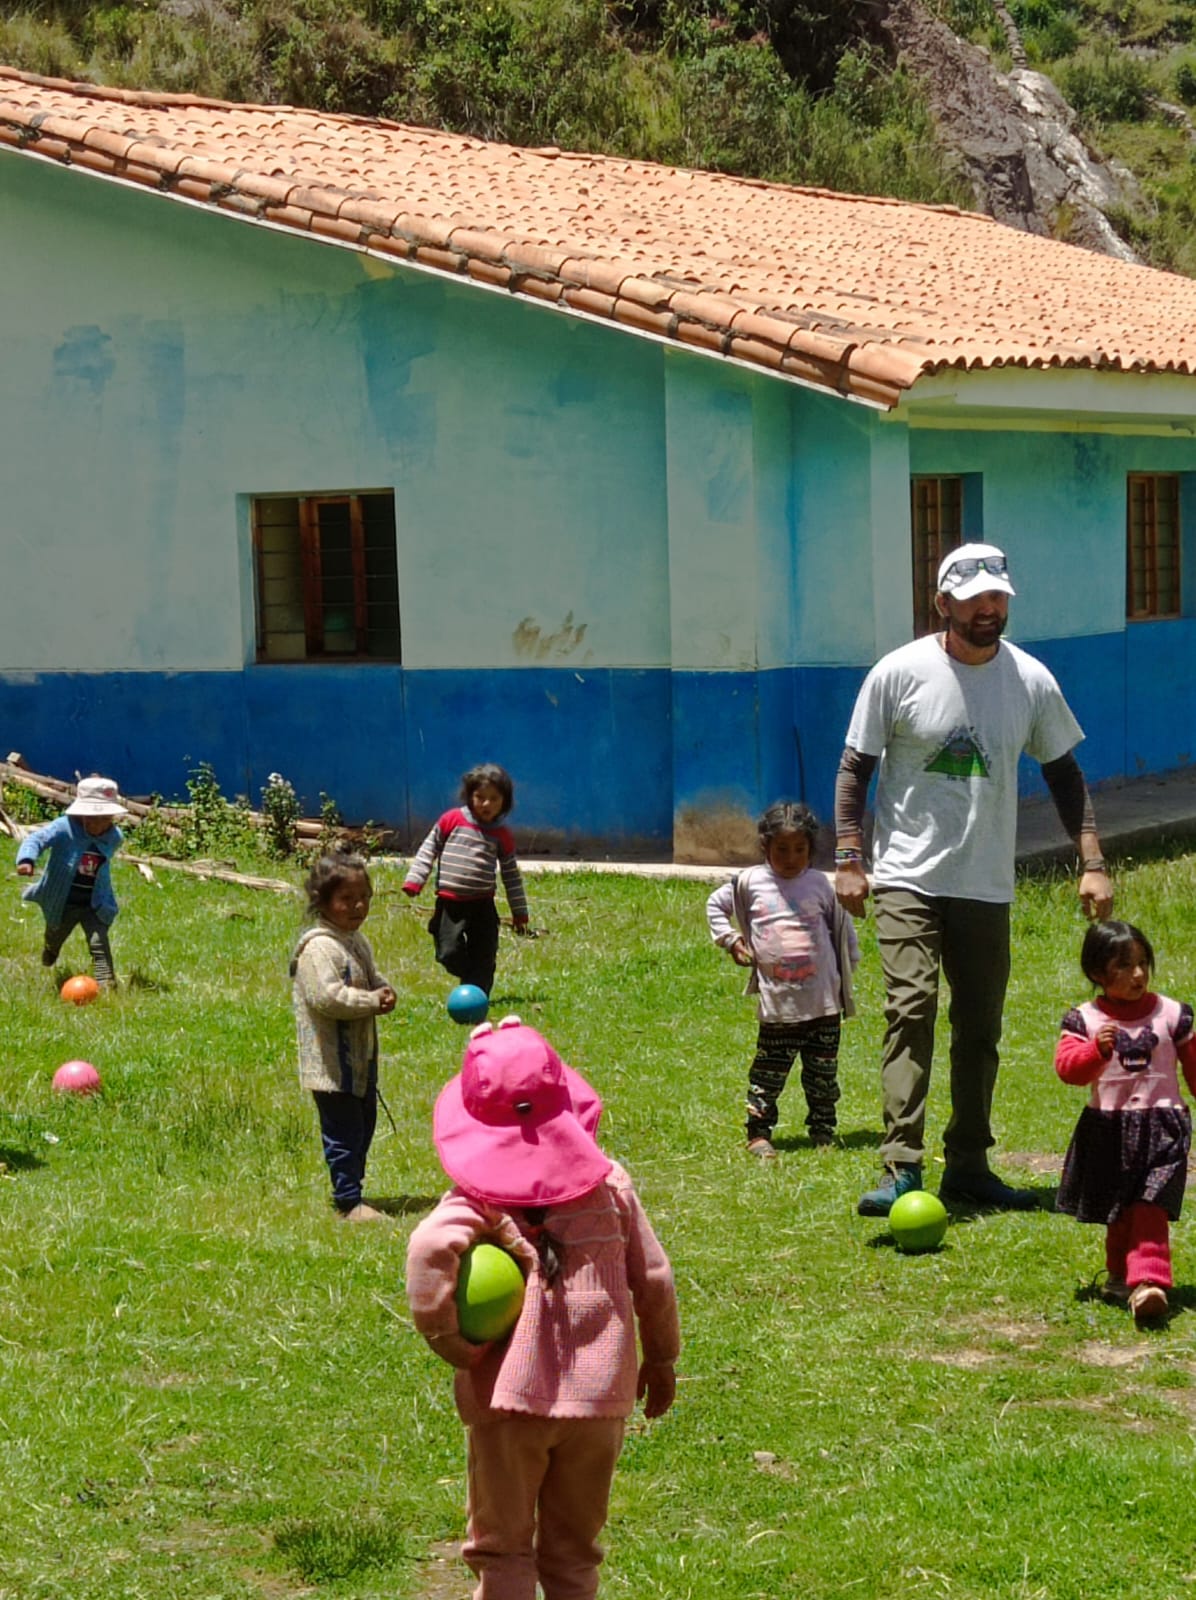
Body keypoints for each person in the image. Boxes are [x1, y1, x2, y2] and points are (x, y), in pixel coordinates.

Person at [834, 542, 1114, 1216]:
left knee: (981, 1025)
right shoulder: (898, 673)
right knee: (911, 1007)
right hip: (907, 874)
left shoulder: (1031, 680)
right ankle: (903, 1164)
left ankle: (969, 1166)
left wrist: (1093, 859)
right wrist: (849, 856)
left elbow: (1064, 773)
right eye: (974, 600)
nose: (988, 610)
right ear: (943, 604)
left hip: (986, 880)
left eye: (998, 599)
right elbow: (855, 768)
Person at [405, 1016, 680, 1600]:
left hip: (508, 1403)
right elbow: (653, 1278)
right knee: (574, 1553)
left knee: (503, 1550)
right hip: (599, 1402)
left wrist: (451, 1340)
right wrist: (660, 1358)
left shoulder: (476, 1200)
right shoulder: (612, 1187)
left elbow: (430, 1249)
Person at [1056, 921, 1196, 1323]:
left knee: (1150, 1204)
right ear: (1098, 973)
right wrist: (1095, 1053)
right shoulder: (1084, 1020)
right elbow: (1068, 1070)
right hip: (1108, 1128)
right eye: (1124, 965)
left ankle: (1150, 1281)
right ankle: (1120, 1274)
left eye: (1142, 963)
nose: (1138, 974)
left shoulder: (1173, 1015)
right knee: (1118, 1208)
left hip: (1164, 1125)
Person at [706, 800, 859, 1157]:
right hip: (778, 1006)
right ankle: (758, 1133)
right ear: (765, 848)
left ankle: (822, 1130)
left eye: (800, 849)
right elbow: (715, 905)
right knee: (767, 1074)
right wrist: (731, 940)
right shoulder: (750, 883)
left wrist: (847, 972)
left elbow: (844, 929)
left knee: (822, 1076)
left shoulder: (820, 885)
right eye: (782, 849)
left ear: (811, 849)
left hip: (823, 1003)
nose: (791, 858)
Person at [290, 850, 396, 1221]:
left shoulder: (355, 941)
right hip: (332, 1065)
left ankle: (356, 1190)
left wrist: (382, 989)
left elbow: (370, 974)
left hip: (360, 1059)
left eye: (363, 897)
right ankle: (348, 1200)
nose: (357, 906)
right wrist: (370, 1000)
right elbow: (327, 998)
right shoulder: (319, 948)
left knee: (364, 1125)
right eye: (346, 899)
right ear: (322, 902)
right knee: (343, 1131)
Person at [403, 762, 530, 996]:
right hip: (450, 904)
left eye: (494, 798)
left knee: (485, 953)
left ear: (505, 802)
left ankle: (476, 996)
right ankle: (470, 975)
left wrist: (519, 912)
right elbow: (429, 848)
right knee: (448, 953)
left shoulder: (501, 836)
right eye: (480, 797)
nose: (486, 804)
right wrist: (415, 879)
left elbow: (512, 877)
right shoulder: (452, 820)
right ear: (469, 796)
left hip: (482, 905)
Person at [16, 774, 128, 989]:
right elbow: (36, 839)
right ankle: (51, 949)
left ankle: (107, 985)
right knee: (55, 934)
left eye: (105, 818)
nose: (98, 825)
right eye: (93, 818)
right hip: (63, 901)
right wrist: (27, 859)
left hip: (95, 902)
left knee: (98, 942)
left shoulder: (114, 837)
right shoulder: (63, 828)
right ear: (80, 813)